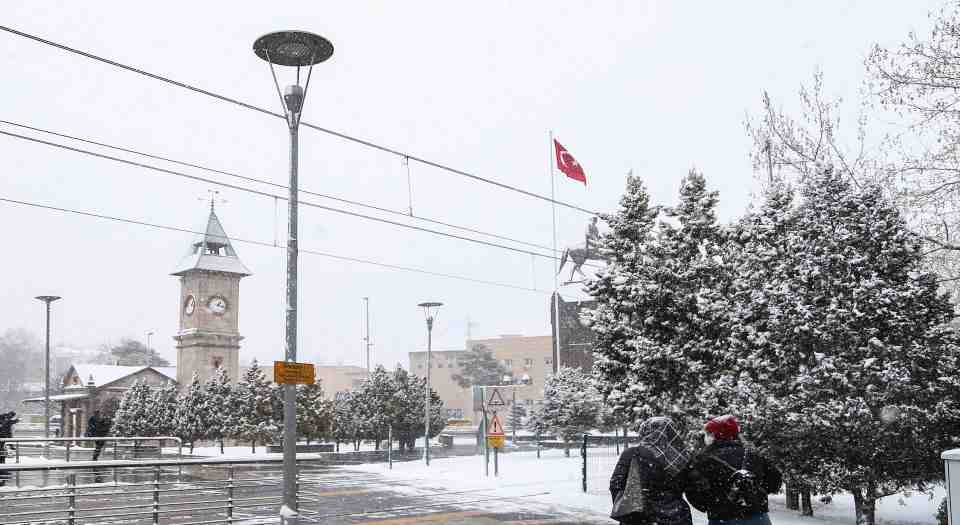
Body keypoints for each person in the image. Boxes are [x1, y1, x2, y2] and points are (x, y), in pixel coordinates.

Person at [683, 415, 782, 525]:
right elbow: (775, 481)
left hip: (722, 518)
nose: (706, 437)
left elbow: (693, 492)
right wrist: (754, 494)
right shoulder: (752, 455)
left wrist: (712, 505)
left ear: (715, 435)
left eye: (709, 433)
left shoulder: (703, 460)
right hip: (758, 517)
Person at [609, 416, 693, 525]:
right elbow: (692, 488)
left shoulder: (632, 453)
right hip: (677, 516)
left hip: (640, 516)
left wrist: (627, 507)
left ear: (645, 431)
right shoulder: (683, 457)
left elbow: (616, 484)